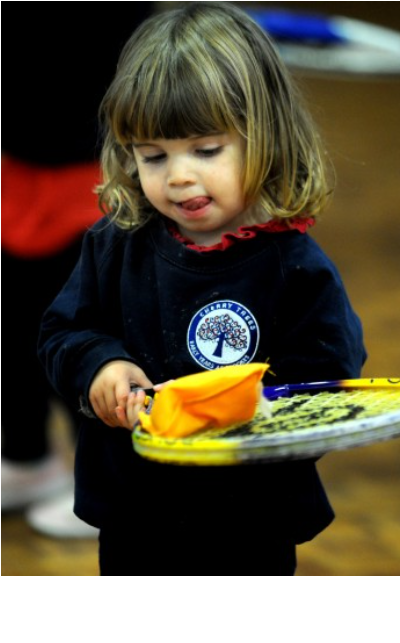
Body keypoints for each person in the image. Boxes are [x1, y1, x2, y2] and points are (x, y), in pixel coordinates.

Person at [38, 2, 365, 575]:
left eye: (206, 150)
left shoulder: (298, 268)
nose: (179, 176)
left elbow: (326, 386)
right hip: (134, 513)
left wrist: (243, 412)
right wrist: (101, 366)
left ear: (267, 137)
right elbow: (62, 332)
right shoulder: (113, 245)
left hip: (249, 521)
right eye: (153, 156)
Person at [1, 3, 151, 538]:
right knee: (12, 317)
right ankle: (26, 456)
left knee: (89, 329)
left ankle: (105, 480)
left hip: (91, 154)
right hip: (17, 154)